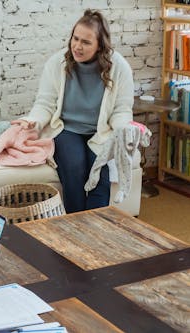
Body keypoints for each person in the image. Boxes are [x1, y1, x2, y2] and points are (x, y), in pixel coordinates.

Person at [12, 9, 134, 213]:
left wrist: (124, 128)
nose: (77, 46)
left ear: (100, 46)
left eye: (86, 42)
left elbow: (122, 109)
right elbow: (45, 103)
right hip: (67, 129)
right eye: (75, 39)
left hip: (100, 131)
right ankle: (74, 226)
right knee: (75, 169)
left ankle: (94, 231)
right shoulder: (57, 62)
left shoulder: (119, 67)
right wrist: (34, 120)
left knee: (100, 175)